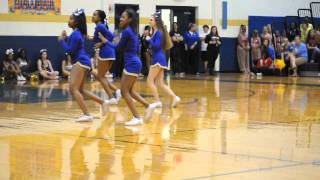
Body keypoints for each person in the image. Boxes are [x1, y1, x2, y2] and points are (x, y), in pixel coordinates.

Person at [98, 9, 155, 126]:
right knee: (130, 91)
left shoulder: (127, 32)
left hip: (132, 64)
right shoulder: (131, 31)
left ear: (129, 19)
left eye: (123, 17)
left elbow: (117, 48)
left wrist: (105, 41)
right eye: (121, 16)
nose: (121, 19)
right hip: (134, 62)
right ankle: (148, 106)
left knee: (124, 92)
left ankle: (137, 117)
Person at [58, 8, 108, 122]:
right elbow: (72, 47)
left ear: (76, 22)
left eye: (71, 18)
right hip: (84, 62)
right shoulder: (76, 33)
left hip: (81, 62)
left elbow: (70, 51)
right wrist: (66, 38)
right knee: (80, 90)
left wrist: (61, 41)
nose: (69, 20)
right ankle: (102, 102)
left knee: (73, 89)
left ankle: (87, 114)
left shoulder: (76, 34)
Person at [146, 12, 181, 109]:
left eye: (151, 19)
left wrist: (149, 39)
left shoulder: (159, 32)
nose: (149, 21)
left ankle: (157, 101)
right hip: (159, 58)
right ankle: (175, 97)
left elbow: (156, 46)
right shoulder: (156, 32)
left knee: (149, 81)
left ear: (156, 22)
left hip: (158, 59)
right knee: (160, 83)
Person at [91, 9, 121, 104]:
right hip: (109, 52)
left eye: (95, 15)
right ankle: (117, 91)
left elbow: (112, 36)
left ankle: (112, 98)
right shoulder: (99, 27)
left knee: (100, 76)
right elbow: (101, 38)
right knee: (101, 76)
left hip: (106, 52)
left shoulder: (100, 26)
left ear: (100, 18)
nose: (92, 16)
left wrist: (101, 44)